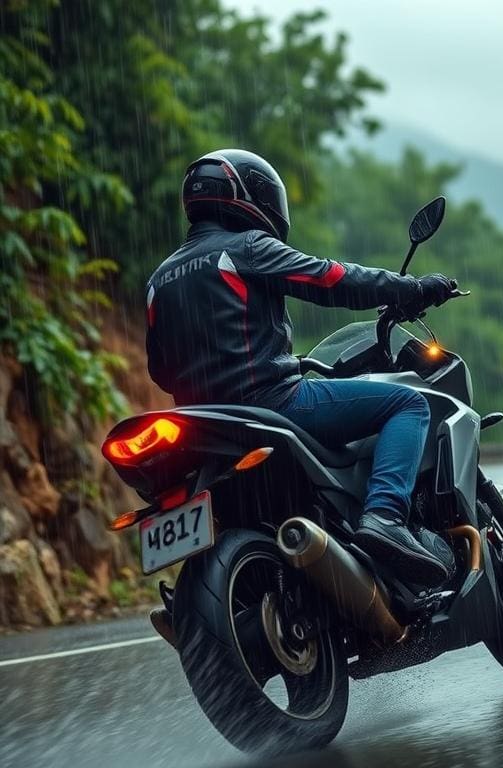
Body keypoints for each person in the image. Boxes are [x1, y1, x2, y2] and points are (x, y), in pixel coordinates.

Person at [145, 148, 458, 589]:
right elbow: (332, 279)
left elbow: (160, 370)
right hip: (274, 404)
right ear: (249, 196)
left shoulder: (159, 279)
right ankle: (386, 518)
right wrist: (411, 287)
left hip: (203, 427)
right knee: (408, 405)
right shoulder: (245, 247)